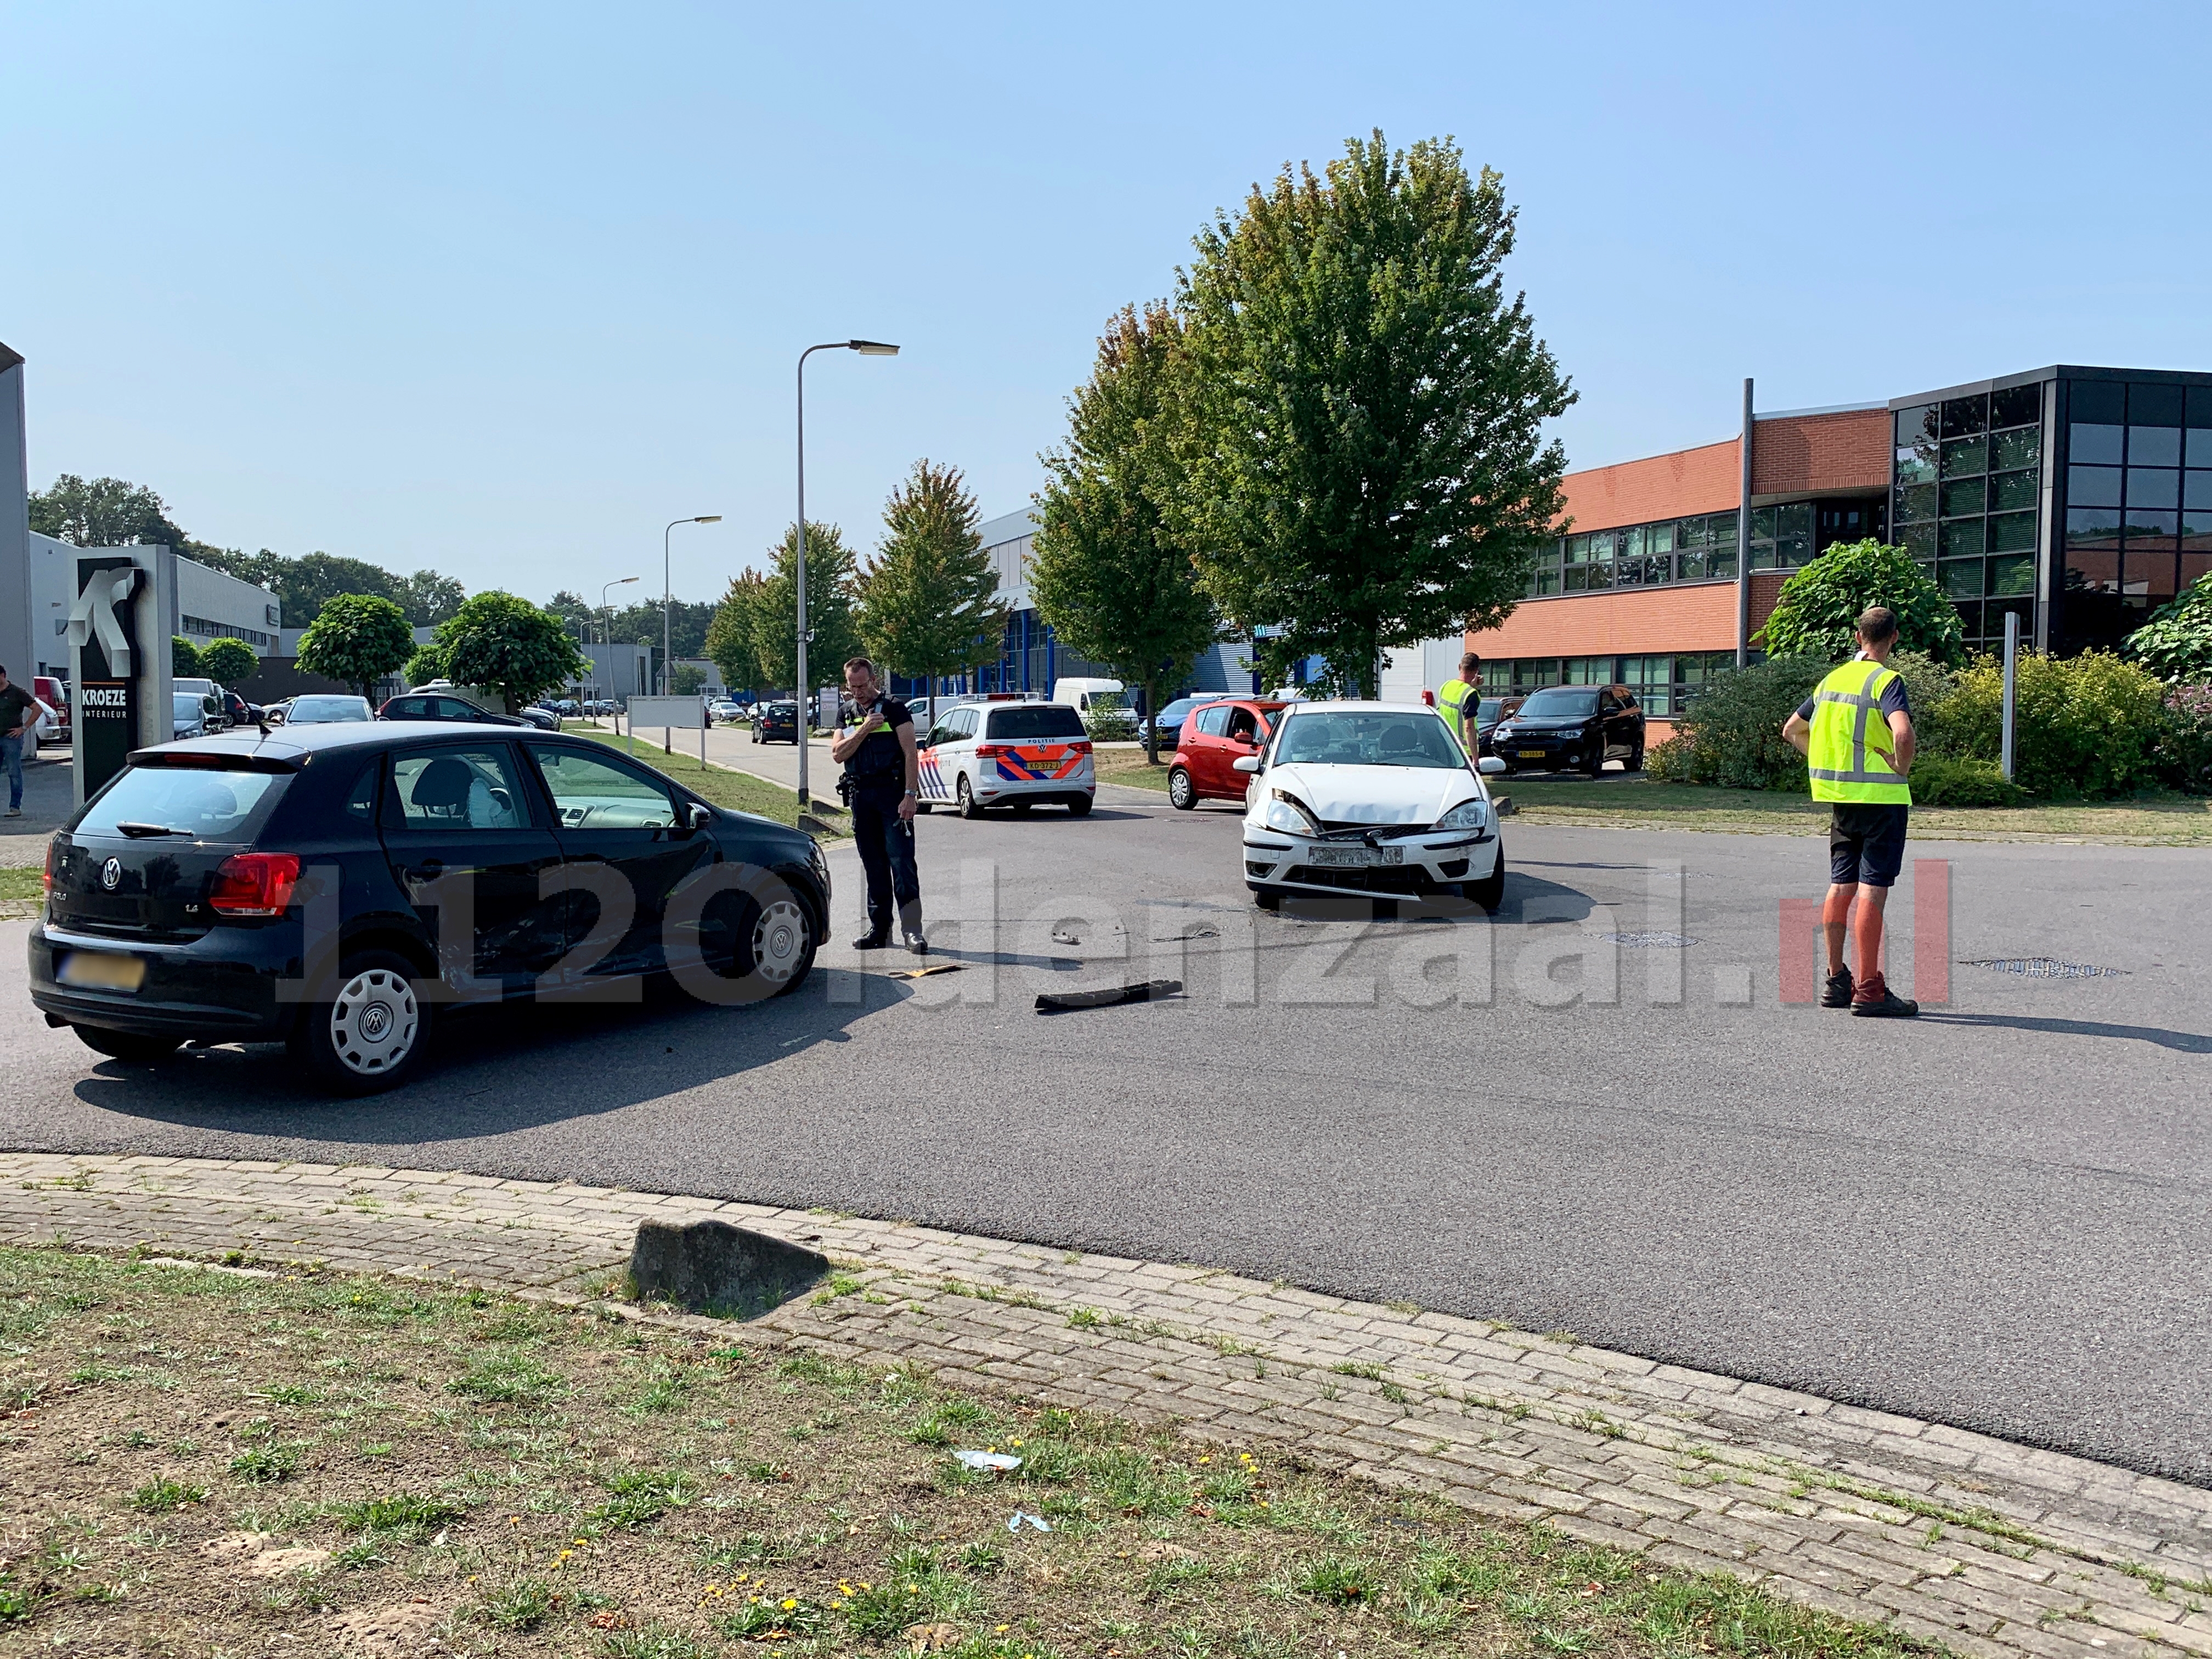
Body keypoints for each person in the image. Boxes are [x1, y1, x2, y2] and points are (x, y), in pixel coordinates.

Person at [1781, 607, 1918, 1018]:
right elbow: (1903, 732)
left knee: (1841, 887)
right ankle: (1870, 989)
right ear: (1894, 638)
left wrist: (1824, 762)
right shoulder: (1887, 681)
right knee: (1872, 890)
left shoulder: (1830, 681)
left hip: (1842, 800)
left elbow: (1791, 729)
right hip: (1882, 802)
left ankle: (1836, 979)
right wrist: (1901, 766)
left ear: (1858, 637)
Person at [829, 656, 926, 953]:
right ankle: (880, 930)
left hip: (892, 794)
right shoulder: (846, 714)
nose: (857, 691)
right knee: (874, 865)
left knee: (901, 863)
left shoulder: (895, 709)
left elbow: (911, 753)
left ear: (873, 681)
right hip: (861, 796)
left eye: (862, 685)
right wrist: (865, 729)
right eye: (851, 686)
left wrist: (911, 795)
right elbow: (837, 754)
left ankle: (913, 932)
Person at [0, 665, 44, 819]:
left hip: (11, 738)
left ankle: (15, 807)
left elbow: (37, 709)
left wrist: (24, 728)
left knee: (14, 772)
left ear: (3, 676)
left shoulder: (16, 692)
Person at [1436, 651, 1483, 757]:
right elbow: (1469, 728)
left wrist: (1472, 686)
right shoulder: (1471, 694)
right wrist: (1475, 760)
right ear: (1476, 671)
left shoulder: (1446, 686)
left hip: (1446, 747)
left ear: (1459, 667)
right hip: (1464, 752)